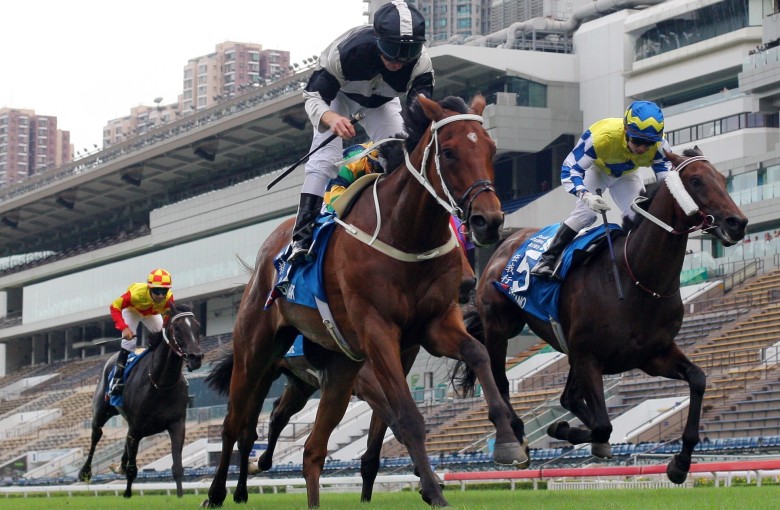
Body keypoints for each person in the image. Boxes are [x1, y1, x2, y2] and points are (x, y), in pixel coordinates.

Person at [286, 0, 434, 264]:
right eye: (392, 50)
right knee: (324, 159)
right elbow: (313, 96)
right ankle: (301, 237)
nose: (399, 61)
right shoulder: (346, 53)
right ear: (378, 39)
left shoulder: (421, 65)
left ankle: (402, 228)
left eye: (408, 51)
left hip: (382, 104)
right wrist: (331, 118)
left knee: (401, 157)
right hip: (337, 98)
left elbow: (419, 117)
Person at [531, 100, 673, 280]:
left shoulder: (660, 147)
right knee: (587, 214)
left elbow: (668, 183)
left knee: (639, 217)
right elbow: (570, 168)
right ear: (626, 130)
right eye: (638, 141)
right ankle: (547, 259)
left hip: (627, 175)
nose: (643, 148)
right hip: (597, 170)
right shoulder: (601, 137)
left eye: (649, 143)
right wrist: (585, 195)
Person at [107, 268, 175, 397]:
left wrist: (163, 330)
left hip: (151, 314)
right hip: (133, 311)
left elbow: (168, 316)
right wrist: (124, 328)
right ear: (149, 288)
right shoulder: (135, 294)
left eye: (164, 291)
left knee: (164, 338)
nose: (161, 296)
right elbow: (114, 307)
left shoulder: (169, 298)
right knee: (129, 344)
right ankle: (117, 378)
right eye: (157, 291)